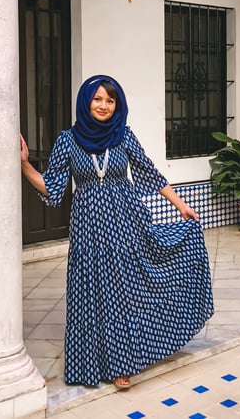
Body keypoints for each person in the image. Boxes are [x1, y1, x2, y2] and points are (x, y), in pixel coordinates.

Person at [20, 74, 214, 389]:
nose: (104, 105)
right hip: (88, 231)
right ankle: (93, 363)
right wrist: (25, 165)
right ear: (86, 101)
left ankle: (123, 362)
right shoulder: (67, 141)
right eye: (97, 99)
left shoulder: (124, 136)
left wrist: (181, 206)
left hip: (126, 224)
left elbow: (149, 173)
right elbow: (53, 189)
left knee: (123, 292)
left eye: (110, 100)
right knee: (92, 291)